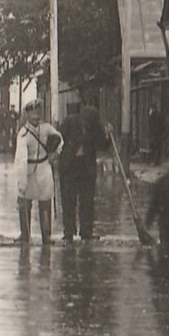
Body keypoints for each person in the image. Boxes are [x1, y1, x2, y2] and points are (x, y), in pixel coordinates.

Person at [56, 96, 110, 242]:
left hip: (87, 168)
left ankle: (86, 232)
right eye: (85, 123)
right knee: (68, 201)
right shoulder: (70, 122)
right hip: (69, 167)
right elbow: (57, 139)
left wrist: (107, 134)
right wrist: (57, 156)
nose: (86, 127)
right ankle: (68, 232)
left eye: (89, 124)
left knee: (87, 201)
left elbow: (103, 145)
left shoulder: (96, 127)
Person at [15, 101, 62, 248]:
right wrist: (22, 182)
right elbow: (21, 159)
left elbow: (60, 139)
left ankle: (46, 236)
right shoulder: (23, 134)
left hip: (43, 168)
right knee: (24, 202)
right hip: (28, 170)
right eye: (32, 112)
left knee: (45, 203)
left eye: (38, 112)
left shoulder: (47, 129)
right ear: (27, 114)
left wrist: (55, 154)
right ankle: (25, 234)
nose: (35, 115)